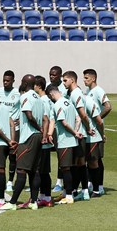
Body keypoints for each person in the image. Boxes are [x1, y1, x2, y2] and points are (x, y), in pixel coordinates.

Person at [0, 75, 48, 211]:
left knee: (21, 170)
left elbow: (29, 115)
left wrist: (37, 127)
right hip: (37, 137)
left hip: (28, 137)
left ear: (25, 83)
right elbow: (44, 118)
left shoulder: (25, 97)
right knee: (34, 171)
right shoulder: (39, 98)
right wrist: (42, 132)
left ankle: (13, 202)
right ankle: (33, 202)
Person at [45, 85, 81, 205]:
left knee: (65, 169)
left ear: (51, 95)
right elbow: (78, 118)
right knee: (70, 168)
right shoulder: (69, 102)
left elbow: (63, 123)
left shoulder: (57, 105)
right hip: (73, 142)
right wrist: (76, 131)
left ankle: (69, 196)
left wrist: (74, 132)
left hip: (64, 141)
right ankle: (67, 193)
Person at [62, 71, 93, 201]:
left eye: (65, 80)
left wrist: (88, 127)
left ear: (72, 81)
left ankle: (85, 190)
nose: (63, 83)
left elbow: (82, 114)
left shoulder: (76, 94)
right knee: (76, 163)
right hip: (75, 133)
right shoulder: (71, 94)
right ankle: (75, 189)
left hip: (79, 133)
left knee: (80, 162)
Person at [83, 69, 112, 195]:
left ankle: (99, 186)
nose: (84, 80)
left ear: (93, 78)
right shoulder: (88, 91)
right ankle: (92, 183)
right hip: (90, 131)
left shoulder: (98, 90)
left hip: (96, 131)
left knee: (96, 159)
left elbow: (108, 106)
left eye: (86, 78)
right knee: (91, 158)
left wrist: (98, 118)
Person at [0, 70, 20, 192]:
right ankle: (1, 181)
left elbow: (23, 107)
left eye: (8, 81)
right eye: (4, 80)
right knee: (1, 155)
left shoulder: (18, 93)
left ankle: (10, 181)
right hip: (1, 129)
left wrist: (21, 119)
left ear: (13, 81)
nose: (5, 83)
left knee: (13, 155)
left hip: (14, 129)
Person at [34, 76, 55, 207]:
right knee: (43, 170)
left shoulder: (43, 100)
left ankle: (46, 197)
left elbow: (47, 119)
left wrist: (45, 135)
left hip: (44, 139)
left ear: (38, 86)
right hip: (46, 137)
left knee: (42, 169)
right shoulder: (46, 99)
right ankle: (44, 196)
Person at [48, 66, 67, 193]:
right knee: (45, 153)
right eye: (50, 74)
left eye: (54, 75)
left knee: (61, 155)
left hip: (60, 126)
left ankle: (60, 181)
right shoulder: (49, 87)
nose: (51, 77)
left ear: (60, 75)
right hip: (50, 125)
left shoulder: (64, 89)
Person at [84, 94, 105, 198]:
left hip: (92, 138)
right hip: (83, 137)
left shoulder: (87, 101)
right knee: (82, 163)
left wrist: (102, 134)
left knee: (93, 162)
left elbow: (99, 120)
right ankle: (85, 189)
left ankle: (97, 189)